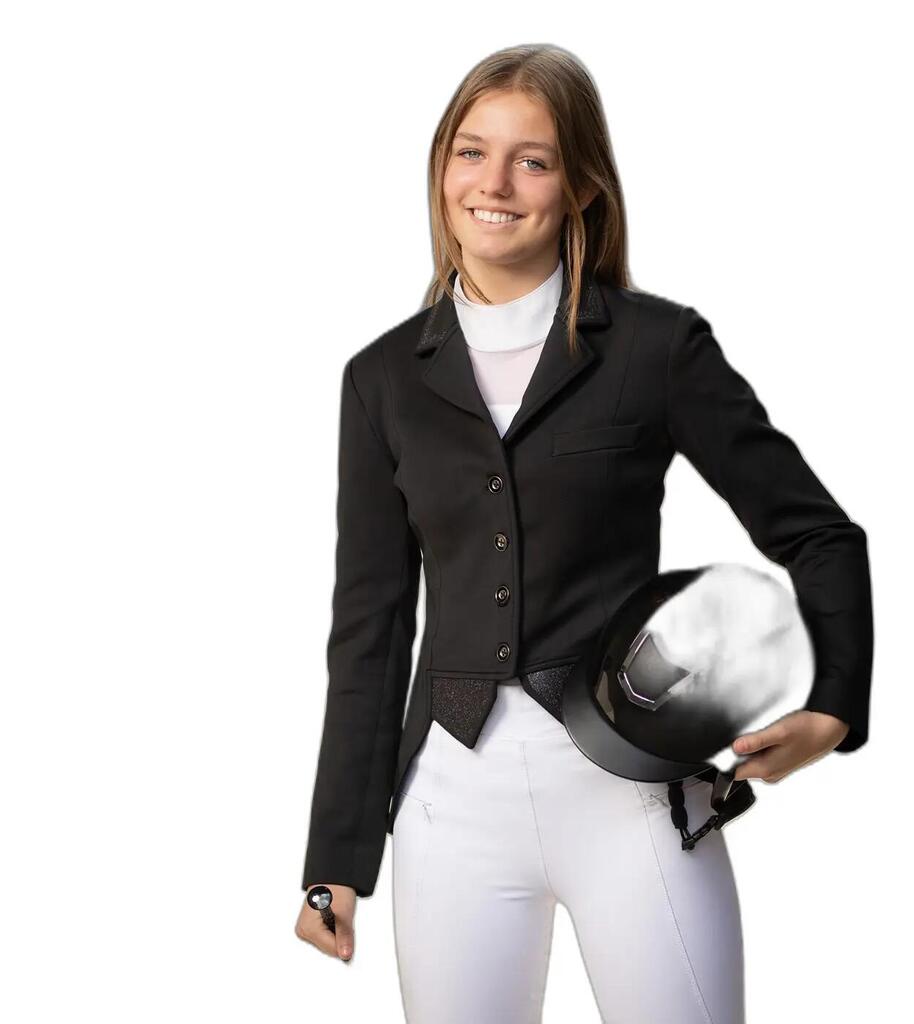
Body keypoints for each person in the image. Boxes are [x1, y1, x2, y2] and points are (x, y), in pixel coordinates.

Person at [294, 43, 874, 1024]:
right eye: (470, 152)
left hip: (632, 795)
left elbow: (819, 533)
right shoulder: (381, 380)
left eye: (532, 160)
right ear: (440, 169)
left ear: (581, 189)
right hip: (449, 809)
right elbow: (371, 630)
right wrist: (335, 860)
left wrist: (834, 706)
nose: (493, 184)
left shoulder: (656, 348)